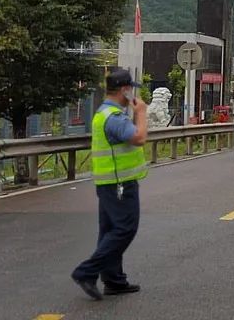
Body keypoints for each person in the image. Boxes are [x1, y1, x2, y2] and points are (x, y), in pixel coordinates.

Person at [72, 69, 149, 301]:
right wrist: (142, 113)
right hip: (119, 184)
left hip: (109, 182)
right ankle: (86, 272)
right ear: (124, 90)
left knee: (109, 231)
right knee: (125, 229)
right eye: (130, 88)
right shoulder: (114, 117)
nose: (132, 93)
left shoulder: (103, 113)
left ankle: (114, 280)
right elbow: (139, 138)